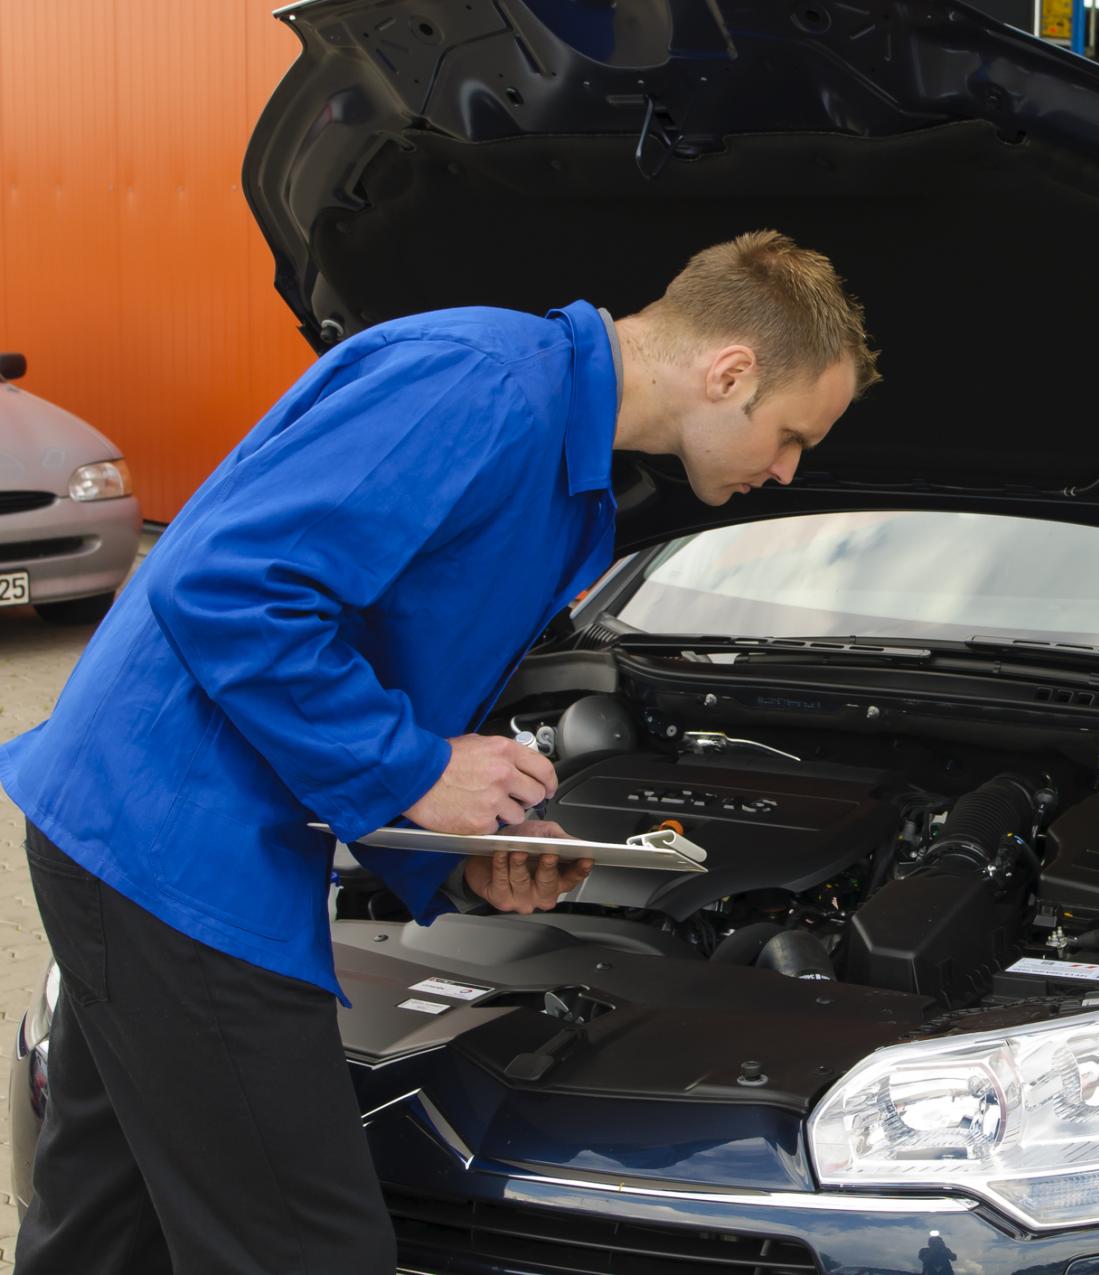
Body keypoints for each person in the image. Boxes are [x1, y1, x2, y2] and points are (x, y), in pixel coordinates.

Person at [0, 229, 878, 1274]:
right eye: (790, 437)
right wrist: (419, 773)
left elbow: (379, 664)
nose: (785, 472)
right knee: (304, 1247)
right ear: (730, 372)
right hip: (174, 845)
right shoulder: (482, 387)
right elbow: (234, 590)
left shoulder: (568, 470)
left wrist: (457, 842)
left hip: (142, 833)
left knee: (107, 1226)